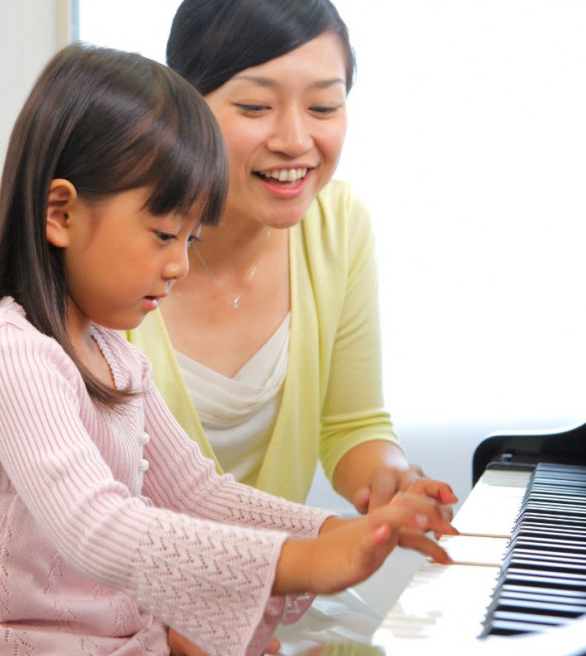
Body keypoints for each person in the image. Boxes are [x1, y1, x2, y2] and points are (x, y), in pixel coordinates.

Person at [0, 43, 455, 656]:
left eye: (191, 239)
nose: (179, 265)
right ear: (61, 213)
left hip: (110, 654)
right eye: (164, 235)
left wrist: (347, 532)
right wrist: (307, 561)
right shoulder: (9, 355)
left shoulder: (113, 353)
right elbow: (98, 528)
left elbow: (198, 494)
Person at [128, 0, 456, 522]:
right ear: (182, 105)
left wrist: (393, 480)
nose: (296, 141)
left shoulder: (337, 224)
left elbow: (352, 425)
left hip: (282, 572)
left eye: (323, 108)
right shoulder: (111, 237)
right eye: (256, 107)